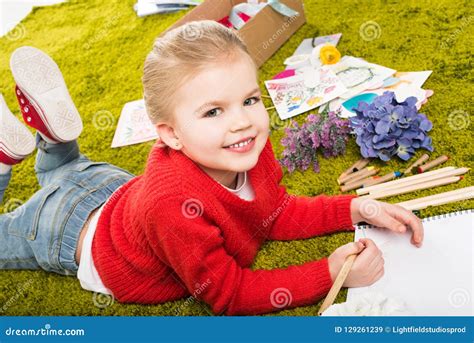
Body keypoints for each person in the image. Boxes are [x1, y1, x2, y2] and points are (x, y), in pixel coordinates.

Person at [0, 20, 424, 316]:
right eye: (213, 111)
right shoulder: (173, 205)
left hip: (110, 187)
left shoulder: (246, 146)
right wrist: (328, 274)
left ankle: (57, 142)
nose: (241, 120)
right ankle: (9, 161)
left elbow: (276, 213)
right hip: (63, 232)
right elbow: (229, 293)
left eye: (249, 100)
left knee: (66, 174)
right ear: (170, 136)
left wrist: (356, 209)